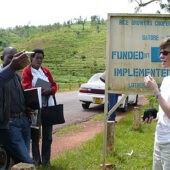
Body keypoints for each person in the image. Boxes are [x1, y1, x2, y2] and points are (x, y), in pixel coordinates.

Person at [21, 48, 57, 166]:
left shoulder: (46, 71)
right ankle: (37, 162)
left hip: (48, 107)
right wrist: (43, 89)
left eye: (41, 58)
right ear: (31, 58)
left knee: (48, 136)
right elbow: (25, 86)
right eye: (37, 58)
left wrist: (51, 90)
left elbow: (54, 85)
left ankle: (46, 161)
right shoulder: (27, 71)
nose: (39, 60)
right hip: (35, 108)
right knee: (35, 137)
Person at [0, 47, 33, 164]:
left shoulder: (16, 76)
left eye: (16, 57)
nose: (14, 60)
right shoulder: (3, 74)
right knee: (27, 162)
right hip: (10, 124)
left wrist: (27, 105)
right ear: (2, 58)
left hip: (23, 121)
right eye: (10, 57)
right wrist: (12, 67)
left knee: (20, 161)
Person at [144, 37, 170, 170]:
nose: (161, 56)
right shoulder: (166, 80)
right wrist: (155, 116)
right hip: (159, 140)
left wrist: (155, 90)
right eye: (160, 53)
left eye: (165, 53)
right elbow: (166, 111)